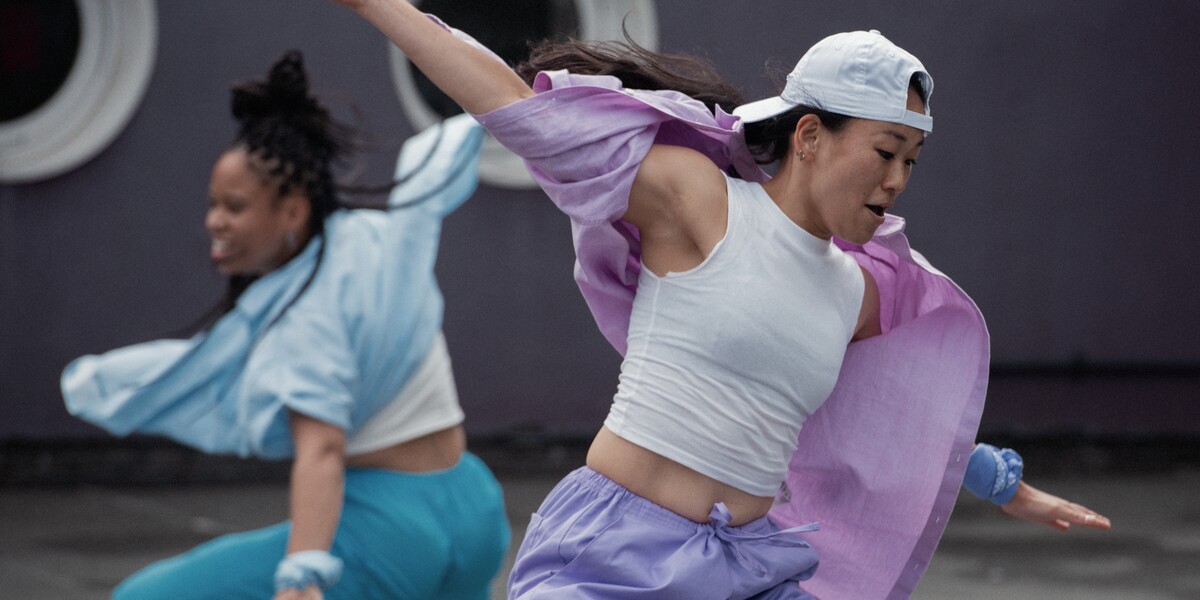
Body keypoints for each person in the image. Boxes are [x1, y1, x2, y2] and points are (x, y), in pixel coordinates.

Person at [328, 2, 1111, 598]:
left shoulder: (860, 289)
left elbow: (890, 413)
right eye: (883, 152)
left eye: (911, 159)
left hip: (747, 566)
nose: (898, 179)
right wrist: (383, 9)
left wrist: (1003, 486)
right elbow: (517, 109)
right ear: (809, 137)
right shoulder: (700, 203)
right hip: (616, 554)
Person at [60, 51, 509, 600]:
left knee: (145, 597)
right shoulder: (370, 238)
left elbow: (321, 448)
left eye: (234, 206)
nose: (214, 222)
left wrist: (303, 572)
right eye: (212, 205)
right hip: (473, 505)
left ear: (294, 211)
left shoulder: (303, 315)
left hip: (391, 531)